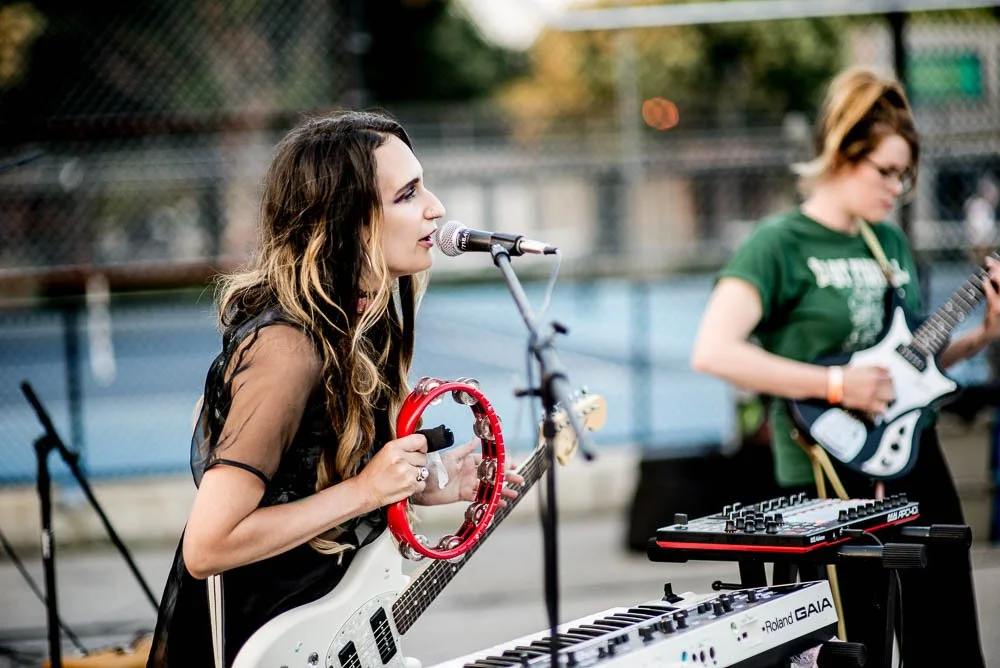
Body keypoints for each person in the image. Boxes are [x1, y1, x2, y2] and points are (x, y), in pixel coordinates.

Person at [147, 109, 522, 667]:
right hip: (258, 643)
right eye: (407, 194)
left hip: (320, 627)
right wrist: (369, 492)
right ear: (347, 222)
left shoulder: (361, 324)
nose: (436, 208)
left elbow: (309, 480)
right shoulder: (286, 349)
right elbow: (208, 546)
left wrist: (422, 484)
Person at [689, 66, 996, 667]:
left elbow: (910, 368)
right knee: (852, 648)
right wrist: (834, 383)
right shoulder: (779, 243)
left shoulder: (888, 241)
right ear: (840, 154)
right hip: (820, 471)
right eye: (885, 170)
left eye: (904, 175)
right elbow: (715, 351)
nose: (896, 188)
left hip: (913, 461)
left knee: (948, 637)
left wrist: (984, 335)